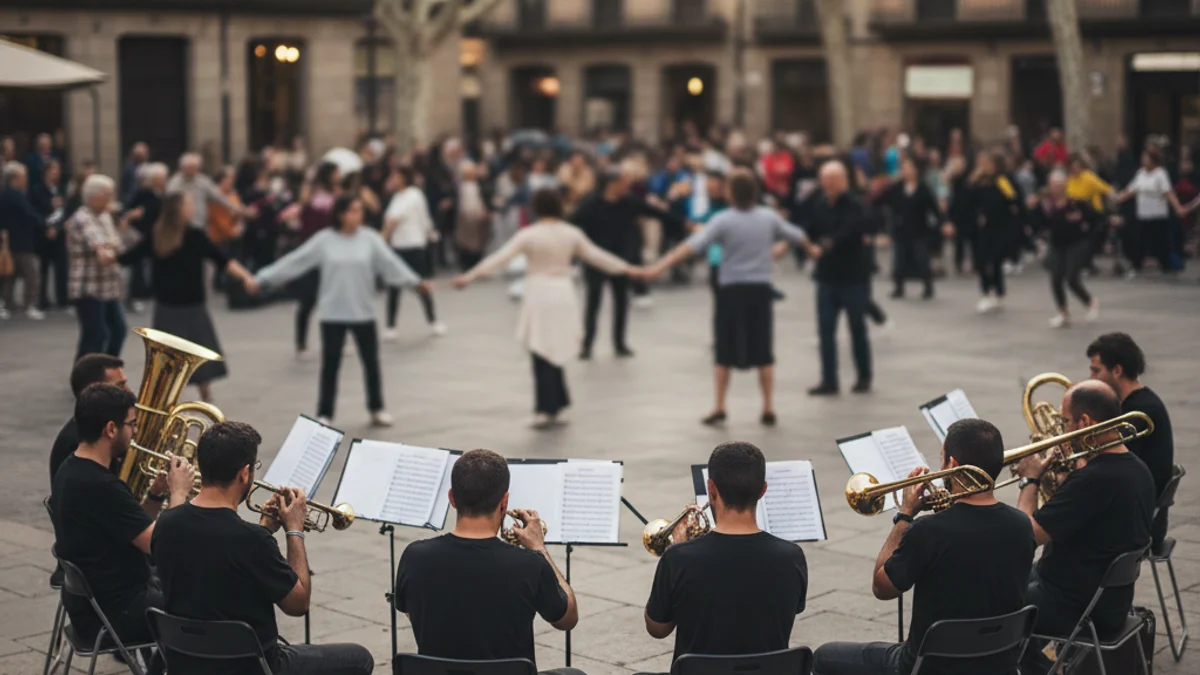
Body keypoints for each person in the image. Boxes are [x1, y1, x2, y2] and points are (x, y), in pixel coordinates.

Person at [813, 419, 1035, 675]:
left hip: (929, 667)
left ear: (951, 464)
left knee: (824, 656)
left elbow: (882, 587)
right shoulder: (1021, 524)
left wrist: (905, 515)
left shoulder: (929, 531)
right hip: (998, 664)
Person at [152, 422, 374, 675]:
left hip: (188, 662)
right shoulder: (252, 541)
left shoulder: (166, 523)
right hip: (253, 667)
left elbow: (217, 561)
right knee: (359, 658)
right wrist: (294, 530)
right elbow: (298, 605)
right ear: (245, 473)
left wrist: (265, 530)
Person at [453, 189, 640, 429]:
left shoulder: (529, 235)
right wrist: (628, 269)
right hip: (562, 291)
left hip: (539, 292)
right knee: (556, 344)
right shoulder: (571, 233)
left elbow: (499, 259)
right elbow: (598, 257)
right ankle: (559, 403)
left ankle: (545, 407)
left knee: (541, 348)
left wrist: (469, 276)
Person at [394, 449, 581, 674]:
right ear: (504, 502)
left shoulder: (414, 556)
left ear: (452, 498)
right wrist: (539, 548)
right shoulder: (530, 565)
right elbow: (567, 619)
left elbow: (413, 612)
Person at [649, 169, 811, 426]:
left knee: (724, 348)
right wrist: (801, 249)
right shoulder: (768, 218)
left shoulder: (723, 220)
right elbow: (797, 236)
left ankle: (720, 405)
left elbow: (692, 245)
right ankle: (768, 406)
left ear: (731, 193)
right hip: (760, 289)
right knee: (764, 349)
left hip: (731, 290)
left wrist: (660, 267)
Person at [1014, 380, 1155, 673]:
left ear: (1085, 422)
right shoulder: (1138, 469)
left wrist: (1030, 480)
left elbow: (1024, 536)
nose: (1064, 430)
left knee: (987, 596)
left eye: (1066, 422)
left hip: (1074, 607)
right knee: (1001, 577)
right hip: (1108, 602)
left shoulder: (1093, 480)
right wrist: (1075, 478)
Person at [254, 195, 428, 427]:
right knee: (331, 365)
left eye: (360, 210)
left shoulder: (370, 239)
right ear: (341, 214)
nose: (359, 215)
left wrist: (415, 282)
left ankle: (376, 408)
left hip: (363, 312)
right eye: (353, 210)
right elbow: (296, 261)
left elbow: (391, 264)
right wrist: (263, 278)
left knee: (371, 363)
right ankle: (325, 413)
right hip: (333, 313)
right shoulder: (324, 240)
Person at [51, 383, 194, 662]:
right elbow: (166, 548)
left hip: (93, 604)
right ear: (111, 429)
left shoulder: (72, 467)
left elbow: (132, 530)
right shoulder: (101, 485)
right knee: (211, 599)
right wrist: (179, 493)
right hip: (118, 613)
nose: (136, 432)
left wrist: (155, 495)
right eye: (131, 424)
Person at [643, 442, 808, 664]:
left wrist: (678, 549)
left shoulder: (678, 558)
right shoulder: (792, 557)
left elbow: (657, 628)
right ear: (763, 490)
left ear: (711, 490)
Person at [117, 192, 257, 403]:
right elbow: (129, 257)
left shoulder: (194, 235)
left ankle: (203, 394)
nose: (192, 209)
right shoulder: (160, 235)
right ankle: (171, 399)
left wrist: (246, 277)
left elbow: (222, 260)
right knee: (174, 357)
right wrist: (109, 254)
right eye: (189, 205)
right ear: (177, 210)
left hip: (188, 306)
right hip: (173, 306)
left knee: (194, 354)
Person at [571, 168, 684, 359]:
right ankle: (587, 345)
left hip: (622, 260)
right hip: (596, 261)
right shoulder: (591, 204)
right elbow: (572, 223)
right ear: (611, 184)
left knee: (621, 301)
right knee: (593, 302)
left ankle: (619, 343)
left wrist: (684, 224)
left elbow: (656, 213)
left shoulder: (629, 202)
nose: (627, 186)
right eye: (623, 182)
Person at [1086, 332, 1174, 553]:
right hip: (1133, 510)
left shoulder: (1139, 412)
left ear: (1117, 370)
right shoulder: (1130, 404)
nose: (1090, 378)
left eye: (1096, 371)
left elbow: (1113, 470)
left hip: (1138, 523)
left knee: (1064, 525)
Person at [804, 161, 874, 396]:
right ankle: (829, 379)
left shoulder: (854, 204)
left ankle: (864, 376)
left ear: (844, 180)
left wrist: (824, 246)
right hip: (826, 277)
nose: (829, 185)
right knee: (825, 330)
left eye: (833, 180)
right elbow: (809, 227)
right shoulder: (819, 203)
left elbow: (850, 231)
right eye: (825, 180)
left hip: (853, 277)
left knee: (857, 327)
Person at [67, 174, 130, 359]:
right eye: (108, 195)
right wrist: (110, 251)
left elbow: (117, 244)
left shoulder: (104, 216)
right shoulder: (83, 217)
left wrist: (114, 249)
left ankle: (107, 370)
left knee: (118, 331)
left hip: (108, 287)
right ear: (94, 197)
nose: (111, 200)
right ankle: (84, 378)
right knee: (95, 335)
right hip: (89, 287)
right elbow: (100, 247)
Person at [381, 166, 445, 340]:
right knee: (394, 287)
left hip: (414, 244)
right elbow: (389, 218)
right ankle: (391, 325)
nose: (394, 180)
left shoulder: (414, 194)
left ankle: (433, 320)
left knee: (420, 284)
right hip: (398, 246)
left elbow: (403, 217)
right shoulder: (395, 197)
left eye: (396, 176)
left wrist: (429, 232)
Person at [1031, 171, 1101, 328]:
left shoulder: (1075, 203)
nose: (1056, 189)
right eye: (1054, 185)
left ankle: (1090, 302)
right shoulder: (1046, 205)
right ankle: (1063, 313)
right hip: (1057, 244)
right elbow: (1036, 223)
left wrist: (1086, 229)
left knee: (1071, 277)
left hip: (1076, 243)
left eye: (1059, 185)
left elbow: (1094, 218)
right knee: (1055, 278)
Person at [50, 354, 129, 484]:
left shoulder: (94, 426)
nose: (128, 391)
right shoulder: (79, 442)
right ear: (95, 390)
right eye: (119, 386)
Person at [1115, 149, 1194, 277]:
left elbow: (1168, 193)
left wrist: (1178, 208)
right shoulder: (1140, 173)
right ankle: (1136, 265)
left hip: (1158, 215)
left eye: (1146, 158)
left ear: (1153, 160)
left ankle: (1168, 266)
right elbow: (1132, 189)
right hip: (1143, 214)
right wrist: (1119, 198)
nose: (1144, 160)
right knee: (1139, 242)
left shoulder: (1160, 174)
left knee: (1160, 242)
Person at [291, 161, 341, 358]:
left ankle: (334, 341)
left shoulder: (336, 193)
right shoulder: (311, 192)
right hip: (312, 249)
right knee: (308, 299)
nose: (339, 175)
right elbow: (303, 211)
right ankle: (301, 343)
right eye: (336, 172)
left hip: (331, 250)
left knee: (333, 299)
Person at [880, 154, 946, 299]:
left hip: (919, 229)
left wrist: (943, 223)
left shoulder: (923, 188)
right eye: (904, 168)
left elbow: (933, 208)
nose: (906, 171)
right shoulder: (896, 188)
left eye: (909, 168)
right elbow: (881, 201)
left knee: (922, 258)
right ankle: (899, 287)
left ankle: (927, 286)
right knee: (899, 260)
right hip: (900, 229)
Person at [963, 151, 1021, 313]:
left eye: (987, 163)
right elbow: (967, 201)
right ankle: (987, 291)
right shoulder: (975, 181)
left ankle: (998, 291)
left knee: (995, 261)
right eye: (981, 163)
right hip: (979, 229)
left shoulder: (1001, 180)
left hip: (997, 227)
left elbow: (1012, 199)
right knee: (981, 262)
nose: (983, 166)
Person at [0, 162, 45, 320]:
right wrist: (44, 223)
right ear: (14, 178)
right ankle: (28, 305)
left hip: (13, 240)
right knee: (31, 274)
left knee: (10, 275)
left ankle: (8, 304)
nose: (26, 179)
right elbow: (29, 214)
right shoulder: (14, 195)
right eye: (23, 176)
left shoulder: (12, 194)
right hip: (20, 241)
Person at [29, 159, 69, 312]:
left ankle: (63, 299)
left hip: (58, 233)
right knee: (43, 269)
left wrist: (57, 227)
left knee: (61, 267)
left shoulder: (60, 189)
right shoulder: (37, 189)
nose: (56, 173)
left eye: (57, 170)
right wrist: (47, 225)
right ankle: (42, 299)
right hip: (43, 234)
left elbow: (65, 211)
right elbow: (34, 210)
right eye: (53, 170)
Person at [166, 152, 240, 229]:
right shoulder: (174, 183)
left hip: (200, 223)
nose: (194, 171)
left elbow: (218, 196)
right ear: (183, 168)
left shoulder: (203, 181)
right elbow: (170, 201)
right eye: (191, 168)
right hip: (180, 224)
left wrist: (231, 206)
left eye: (196, 168)